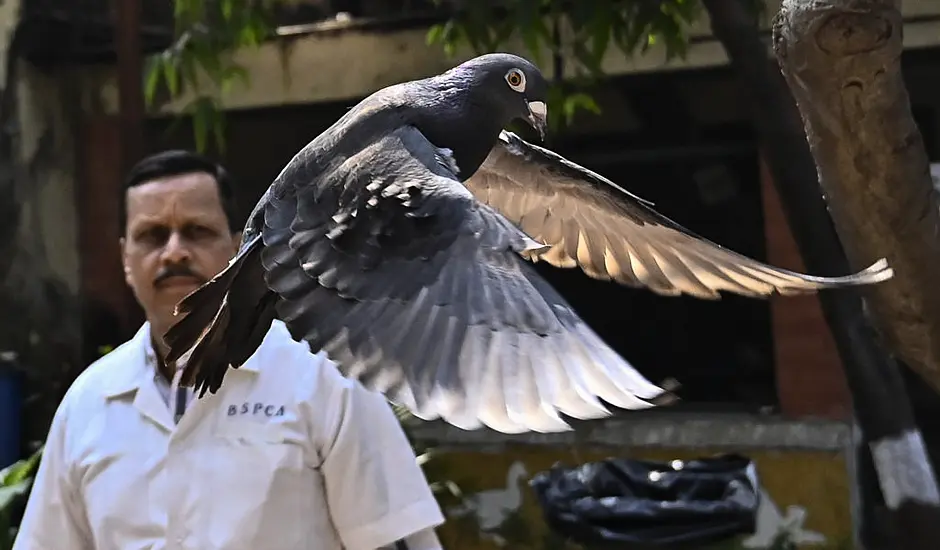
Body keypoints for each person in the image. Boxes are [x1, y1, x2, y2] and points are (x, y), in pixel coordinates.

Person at [13, 150, 446, 550]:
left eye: (197, 231)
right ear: (126, 258)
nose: (175, 251)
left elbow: (395, 538)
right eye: (152, 235)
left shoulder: (323, 378)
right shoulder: (89, 403)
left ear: (239, 246)